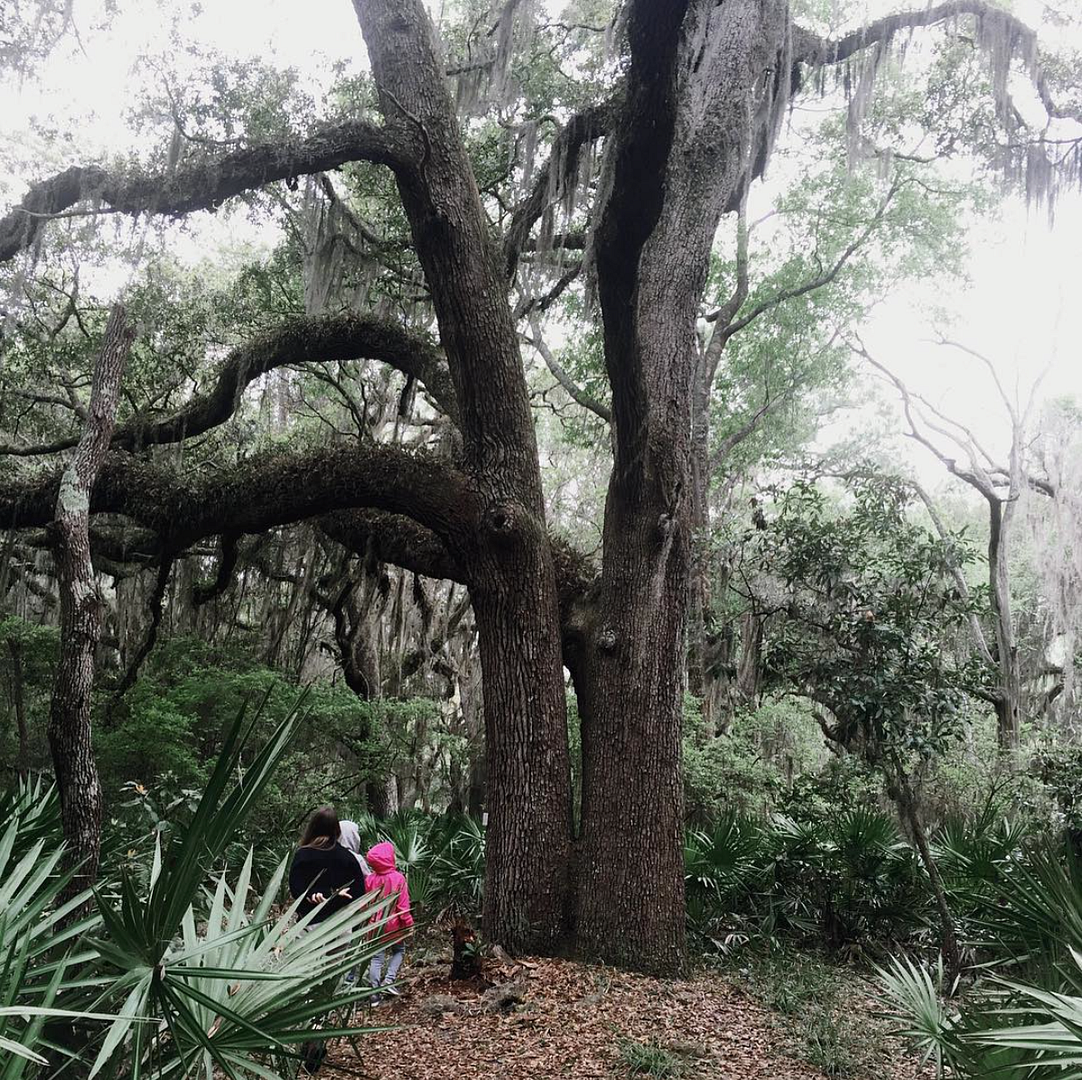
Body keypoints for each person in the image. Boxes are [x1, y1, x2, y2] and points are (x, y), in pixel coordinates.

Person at [289, 806, 365, 925]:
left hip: (309, 924)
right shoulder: (347, 857)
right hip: (341, 925)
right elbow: (359, 892)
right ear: (336, 829)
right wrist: (335, 895)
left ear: (312, 828)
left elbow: (296, 889)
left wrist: (315, 895)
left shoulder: (302, 855)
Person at [365, 841, 413, 1000]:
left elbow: (364, 905)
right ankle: (389, 981)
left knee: (376, 958)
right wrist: (408, 925)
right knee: (399, 951)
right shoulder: (398, 879)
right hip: (394, 926)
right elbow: (403, 906)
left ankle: (374, 995)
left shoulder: (370, 880)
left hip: (374, 926)